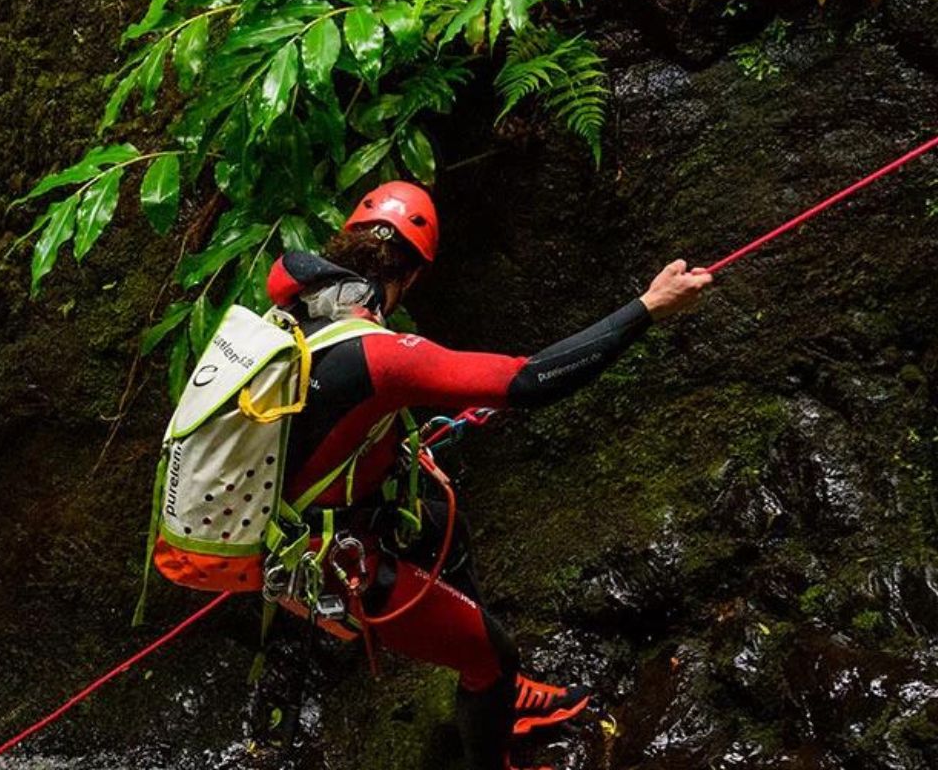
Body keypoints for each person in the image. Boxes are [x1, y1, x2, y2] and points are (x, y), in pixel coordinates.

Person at [264, 181, 712, 770]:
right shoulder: (381, 354)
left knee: (439, 514)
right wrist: (649, 307)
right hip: (328, 558)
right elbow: (528, 380)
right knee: (494, 657)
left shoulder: (292, 311)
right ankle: (491, 718)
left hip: (291, 513)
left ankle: (496, 690)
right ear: (412, 276)